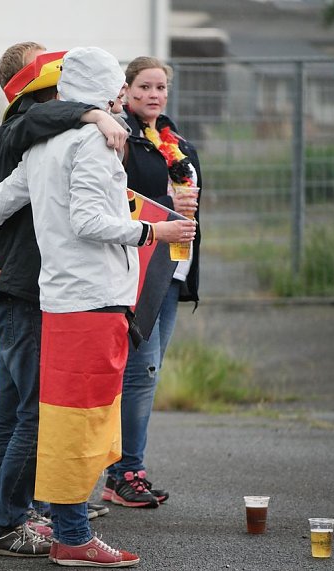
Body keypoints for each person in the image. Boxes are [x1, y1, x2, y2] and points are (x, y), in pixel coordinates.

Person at [0, 46, 196, 567]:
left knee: (56, 417)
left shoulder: (44, 145)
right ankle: (64, 533)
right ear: (108, 89)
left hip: (58, 298)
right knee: (76, 422)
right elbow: (89, 222)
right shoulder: (93, 140)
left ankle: (41, 523)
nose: (123, 97)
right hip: (94, 299)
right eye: (119, 88)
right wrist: (154, 231)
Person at [0, 43, 127, 557]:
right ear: (33, 89)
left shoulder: (36, 133)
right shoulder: (25, 127)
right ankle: (7, 522)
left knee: (11, 412)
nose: (58, 77)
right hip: (21, 293)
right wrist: (94, 114)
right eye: (48, 73)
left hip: (18, 288)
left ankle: (8, 518)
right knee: (35, 414)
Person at [100, 56, 203, 510]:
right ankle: (123, 472)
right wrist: (167, 201)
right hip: (138, 270)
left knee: (147, 372)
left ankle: (126, 470)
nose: (153, 95)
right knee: (138, 373)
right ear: (125, 90)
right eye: (144, 87)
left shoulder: (176, 141)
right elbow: (119, 202)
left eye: (160, 87)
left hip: (174, 271)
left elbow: (191, 204)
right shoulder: (119, 137)